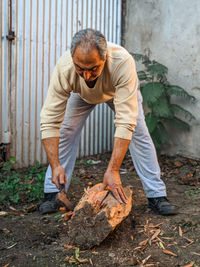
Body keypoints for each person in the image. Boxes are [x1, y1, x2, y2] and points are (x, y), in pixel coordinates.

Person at [39, 28, 177, 215]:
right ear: (73, 59)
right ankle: (53, 192)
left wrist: (113, 170)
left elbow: (125, 121)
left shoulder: (122, 62)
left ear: (105, 58)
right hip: (81, 94)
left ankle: (156, 195)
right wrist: (55, 165)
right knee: (66, 130)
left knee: (138, 131)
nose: (86, 75)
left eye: (93, 68)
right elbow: (49, 119)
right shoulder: (65, 68)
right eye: (80, 68)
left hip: (117, 91)